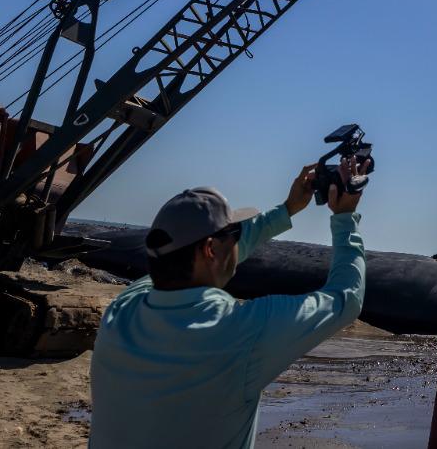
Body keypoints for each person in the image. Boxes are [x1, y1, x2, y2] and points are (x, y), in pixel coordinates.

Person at [88, 158, 367, 449]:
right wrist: (345, 216)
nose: (238, 241)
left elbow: (215, 255)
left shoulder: (122, 308)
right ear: (210, 249)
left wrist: (286, 210)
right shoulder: (243, 331)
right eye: (233, 233)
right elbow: (346, 297)